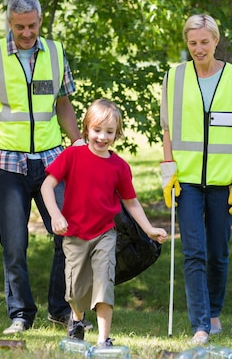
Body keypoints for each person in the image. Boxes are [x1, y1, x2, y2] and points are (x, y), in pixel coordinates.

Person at [0, 0, 91, 334]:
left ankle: (61, 309)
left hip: (52, 161)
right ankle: (20, 313)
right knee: (15, 243)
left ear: (40, 21)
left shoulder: (56, 53)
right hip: (8, 162)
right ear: (9, 23)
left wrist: (77, 143)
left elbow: (62, 103)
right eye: (20, 26)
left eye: (32, 25)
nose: (27, 32)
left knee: (69, 233)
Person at [41, 98, 168, 346]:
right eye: (97, 130)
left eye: (109, 132)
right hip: (75, 234)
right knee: (75, 291)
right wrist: (56, 215)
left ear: (116, 134)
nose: (102, 137)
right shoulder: (71, 156)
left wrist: (149, 229)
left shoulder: (119, 167)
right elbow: (47, 186)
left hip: (105, 235)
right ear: (86, 128)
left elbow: (131, 202)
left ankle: (103, 339)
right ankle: (76, 320)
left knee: (104, 284)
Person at [160, 14, 232, 345]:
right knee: (194, 251)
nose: (198, 49)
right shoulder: (174, 77)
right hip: (185, 181)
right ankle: (200, 324)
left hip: (222, 181)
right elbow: (167, 128)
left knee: (218, 252)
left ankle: (214, 313)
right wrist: (168, 167)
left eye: (204, 42)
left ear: (216, 40)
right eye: (192, 43)